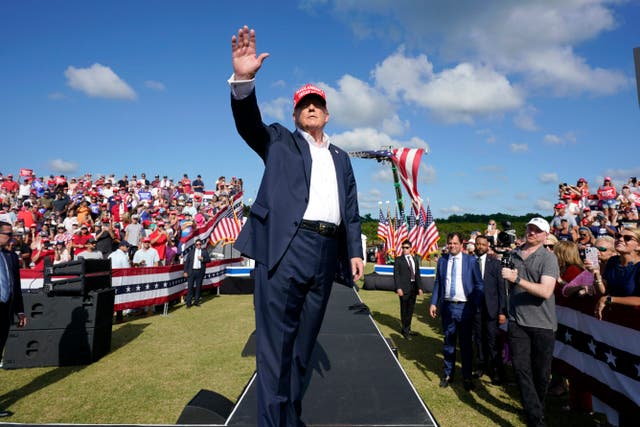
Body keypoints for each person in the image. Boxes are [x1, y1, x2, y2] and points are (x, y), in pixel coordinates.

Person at [229, 25, 364, 427]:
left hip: (325, 255)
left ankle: (291, 418)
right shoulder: (278, 140)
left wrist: (354, 250)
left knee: (303, 348)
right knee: (275, 351)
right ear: (294, 113)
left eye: (316, 103)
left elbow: (351, 211)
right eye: (303, 103)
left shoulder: (341, 157)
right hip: (285, 249)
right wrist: (243, 80)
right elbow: (247, 123)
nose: (310, 108)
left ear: (326, 112)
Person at [501, 217, 559, 427]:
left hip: (543, 324)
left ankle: (535, 408)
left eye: (537, 230)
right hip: (517, 322)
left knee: (541, 374)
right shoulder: (513, 255)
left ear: (545, 235)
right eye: (530, 229)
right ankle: (535, 418)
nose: (532, 233)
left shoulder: (548, 258)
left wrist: (517, 279)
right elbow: (504, 285)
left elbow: (545, 291)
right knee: (520, 369)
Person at [429, 231, 484, 391]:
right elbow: (438, 283)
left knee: (466, 345)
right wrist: (433, 303)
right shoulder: (442, 261)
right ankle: (448, 374)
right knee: (448, 343)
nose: (452, 246)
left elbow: (479, 284)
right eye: (450, 243)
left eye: (455, 243)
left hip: (465, 308)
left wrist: (474, 303)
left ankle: (467, 377)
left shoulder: (471, 261)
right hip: (447, 307)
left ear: (462, 244)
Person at [1, 221, 28, 418]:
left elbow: (15, 286)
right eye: (7, 234)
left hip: (5, 311)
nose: (11, 238)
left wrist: (20, 311)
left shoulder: (10, 256)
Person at [473, 235, 507, 384]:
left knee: (492, 341)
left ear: (488, 246)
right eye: (478, 244)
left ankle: (496, 371)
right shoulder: (470, 262)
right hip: (475, 308)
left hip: (492, 309)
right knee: (479, 339)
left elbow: (501, 290)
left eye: (483, 244)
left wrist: (501, 311)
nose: (480, 246)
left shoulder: (495, 263)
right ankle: (481, 366)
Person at [593, 227, 640, 320]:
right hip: (612, 319)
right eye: (618, 236)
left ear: (638, 246)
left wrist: (609, 299)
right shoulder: (612, 261)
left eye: (627, 238)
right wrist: (596, 274)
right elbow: (603, 292)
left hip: (633, 323)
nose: (620, 239)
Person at [393, 239, 423, 338]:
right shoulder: (398, 260)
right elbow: (396, 275)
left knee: (410, 310)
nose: (404, 249)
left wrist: (420, 288)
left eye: (406, 248)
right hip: (403, 288)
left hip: (413, 288)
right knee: (404, 310)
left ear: (411, 248)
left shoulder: (414, 259)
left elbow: (417, 274)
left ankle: (408, 329)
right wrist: (398, 288)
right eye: (403, 248)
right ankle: (405, 331)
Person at [183, 239, 211, 308]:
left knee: (198, 287)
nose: (198, 245)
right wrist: (185, 271)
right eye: (197, 244)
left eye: (199, 244)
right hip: (192, 271)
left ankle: (196, 301)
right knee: (190, 287)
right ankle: (188, 303)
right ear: (195, 245)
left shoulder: (204, 251)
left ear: (201, 245)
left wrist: (203, 259)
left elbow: (209, 260)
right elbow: (187, 262)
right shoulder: (191, 252)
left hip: (200, 272)